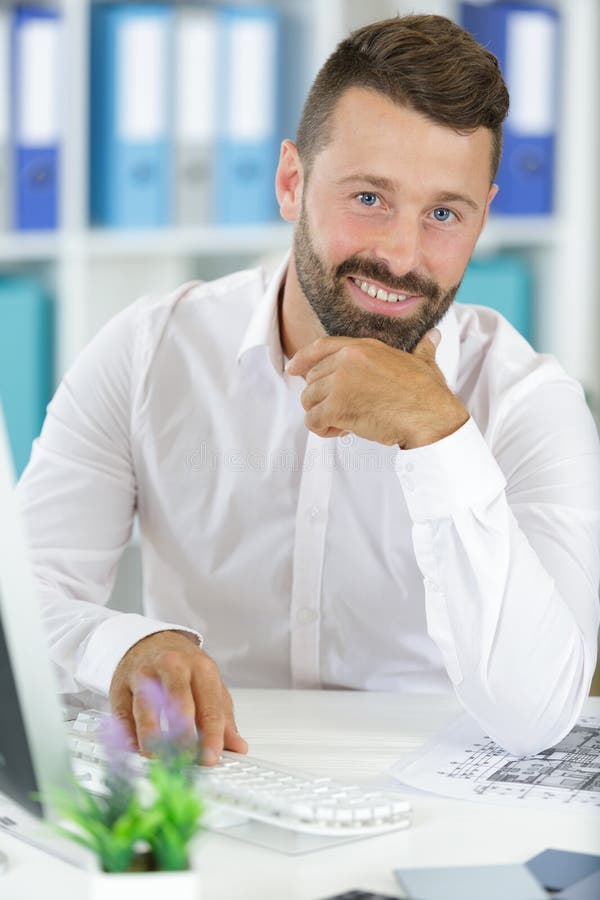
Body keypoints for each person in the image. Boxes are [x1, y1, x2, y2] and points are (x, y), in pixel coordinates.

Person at [17, 14, 599, 761]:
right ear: (292, 182)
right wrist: (127, 644)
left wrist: (440, 439)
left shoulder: (531, 404)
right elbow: (21, 612)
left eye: (443, 214)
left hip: (431, 802)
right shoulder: (146, 353)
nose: (399, 253)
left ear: (482, 218)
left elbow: (538, 716)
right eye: (368, 199)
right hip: (212, 784)